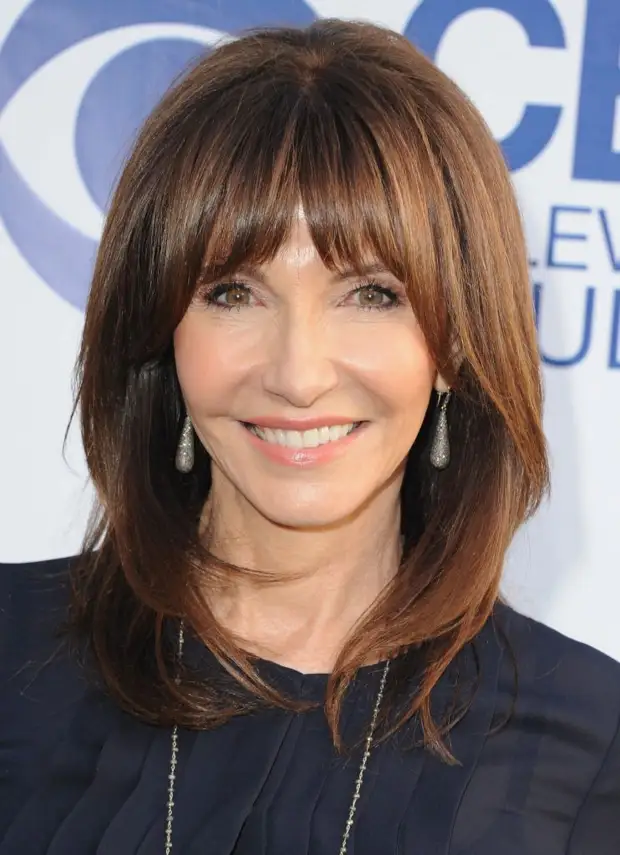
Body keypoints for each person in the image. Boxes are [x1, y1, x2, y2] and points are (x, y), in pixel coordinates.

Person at [1, 17, 619, 855]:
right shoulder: (13, 650)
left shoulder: (588, 745)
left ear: (455, 346)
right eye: (233, 293)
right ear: (162, 331)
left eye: (371, 294)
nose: (298, 374)